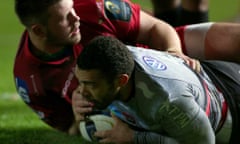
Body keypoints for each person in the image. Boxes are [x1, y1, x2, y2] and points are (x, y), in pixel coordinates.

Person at [13, 0, 240, 134]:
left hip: (164, 57)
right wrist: (78, 116)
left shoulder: (93, 8)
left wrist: (174, 53)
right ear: (39, 31)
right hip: (140, 106)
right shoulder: (30, 80)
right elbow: (69, 130)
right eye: (65, 17)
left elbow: (157, 29)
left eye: (73, 8)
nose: (76, 18)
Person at [73, 36, 240, 144]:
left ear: (121, 80)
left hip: (230, 110)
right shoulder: (116, 60)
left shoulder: (167, 102)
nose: (82, 91)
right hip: (208, 78)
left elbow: (204, 142)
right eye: (80, 82)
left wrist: (133, 138)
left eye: (91, 85)